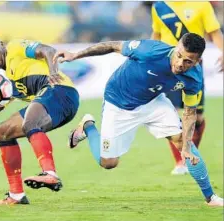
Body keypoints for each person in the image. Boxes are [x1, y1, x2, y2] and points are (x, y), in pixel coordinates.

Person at [53, 33, 223, 207]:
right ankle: (88, 126)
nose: (180, 64)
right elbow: (113, 45)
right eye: (179, 55)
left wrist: (186, 146)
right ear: (176, 47)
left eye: (188, 61)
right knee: (108, 163)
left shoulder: (194, 77)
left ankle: (210, 197)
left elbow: (189, 113)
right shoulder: (149, 50)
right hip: (118, 102)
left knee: (183, 142)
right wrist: (75, 55)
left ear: (197, 61)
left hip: (153, 102)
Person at [0, 36, 79, 205]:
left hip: (60, 91)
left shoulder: (15, 48)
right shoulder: (9, 85)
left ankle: (50, 174)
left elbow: (48, 50)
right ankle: (16, 195)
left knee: (29, 123)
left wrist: (53, 72)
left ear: (0, 45)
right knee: (4, 131)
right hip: (53, 105)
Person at [151, 1, 224, 175]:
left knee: (197, 118)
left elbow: (214, 32)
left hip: (193, 67)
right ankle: (180, 161)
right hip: (169, 67)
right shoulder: (159, 7)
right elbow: (156, 35)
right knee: (175, 116)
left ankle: (188, 155)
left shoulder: (201, 4)